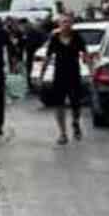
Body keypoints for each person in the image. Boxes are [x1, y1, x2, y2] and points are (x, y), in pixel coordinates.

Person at [42, 11, 89, 144]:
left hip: (74, 75)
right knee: (59, 105)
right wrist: (42, 74)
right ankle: (62, 133)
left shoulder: (77, 37)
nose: (66, 25)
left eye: (69, 22)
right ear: (59, 24)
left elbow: (85, 54)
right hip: (59, 76)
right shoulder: (55, 38)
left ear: (72, 24)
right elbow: (48, 57)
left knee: (76, 104)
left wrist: (89, 68)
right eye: (64, 22)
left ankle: (75, 122)